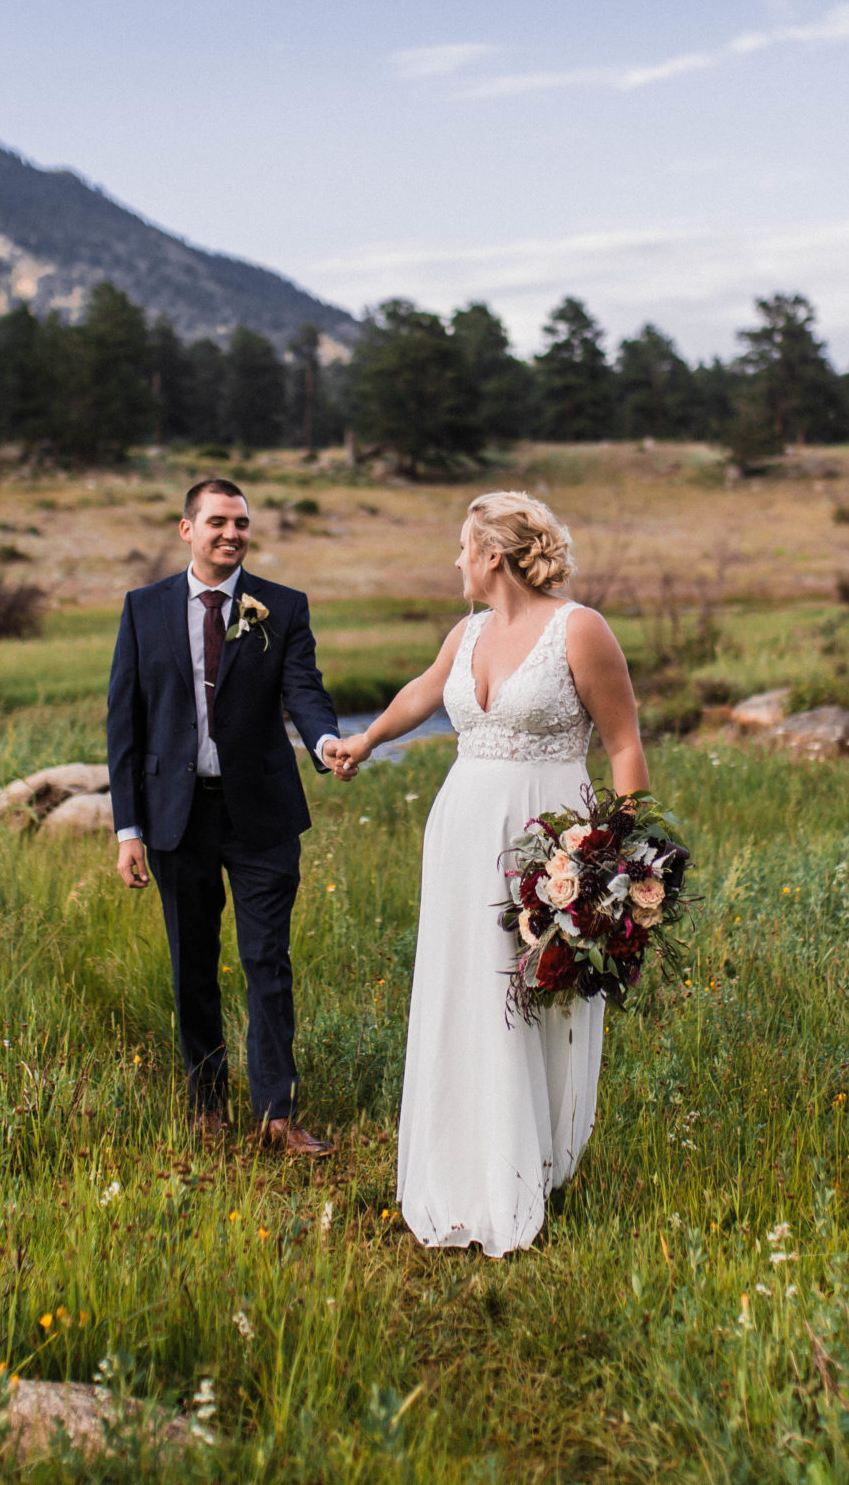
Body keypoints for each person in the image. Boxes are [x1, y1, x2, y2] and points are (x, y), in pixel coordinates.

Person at [325, 491, 647, 1254]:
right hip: (464, 835)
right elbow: (423, 692)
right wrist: (364, 739)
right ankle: (464, 1162)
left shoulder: (580, 628)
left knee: (537, 991)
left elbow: (625, 745)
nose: (456, 561)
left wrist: (617, 857)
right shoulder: (466, 632)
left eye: (463, 548)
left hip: (550, 838)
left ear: (493, 555)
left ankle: (530, 1163)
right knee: (466, 989)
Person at [108, 478, 344, 1156]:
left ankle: (278, 1114)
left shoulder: (283, 607)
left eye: (241, 522)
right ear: (187, 528)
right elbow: (125, 723)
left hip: (261, 815)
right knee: (192, 965)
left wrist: (327, 744)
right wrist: (129, 829)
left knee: (267, 957)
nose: (231, 533)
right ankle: (207, 1106)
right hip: (175, 817)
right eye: (217, 521)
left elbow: (306, 692)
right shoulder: (143, 608)